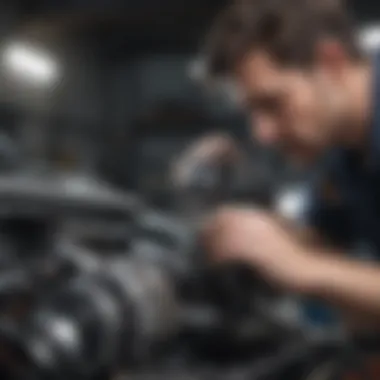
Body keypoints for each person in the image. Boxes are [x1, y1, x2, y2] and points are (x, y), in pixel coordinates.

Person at [201, 0, 380, 326]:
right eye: (252, 112)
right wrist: (263, 237)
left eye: (273, 104)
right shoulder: (340, 148)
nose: (262, 134)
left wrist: (300, 266)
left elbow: (310, 264)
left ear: (331, 64)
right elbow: (323, 241)